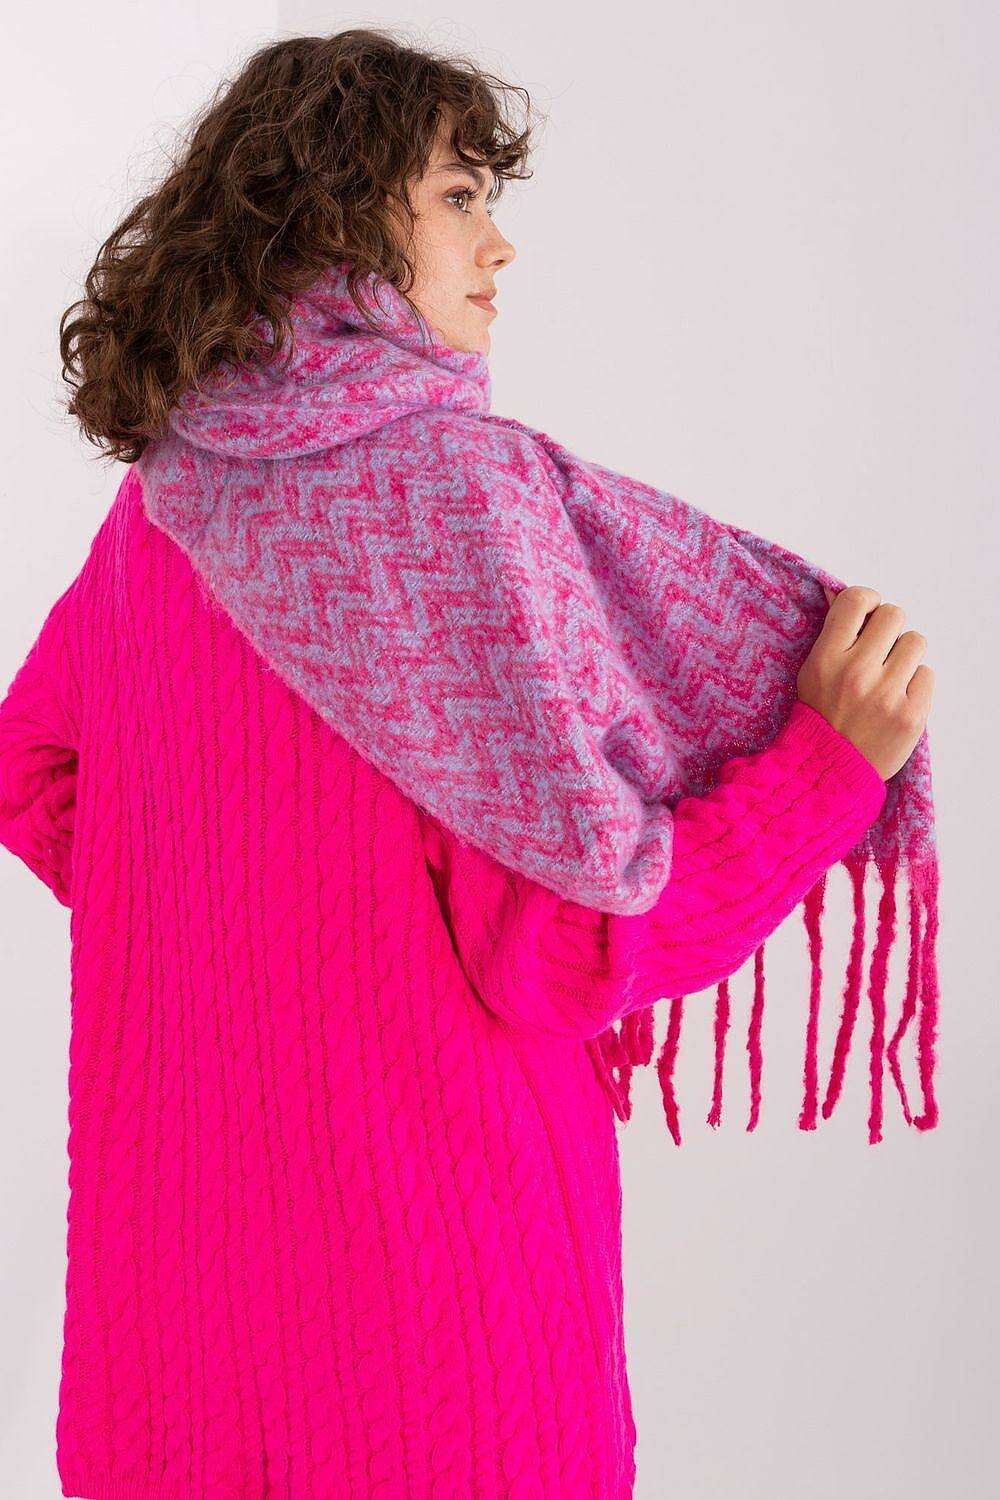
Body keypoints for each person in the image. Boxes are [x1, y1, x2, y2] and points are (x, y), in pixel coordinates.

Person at [0, 28, 932, 1500]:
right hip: (441, 1343)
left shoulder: (164, 508)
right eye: (455, 196)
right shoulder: (456, 502)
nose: (499, 246)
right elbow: (565, 943)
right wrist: (827, 773)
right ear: (330, 212)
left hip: (173, 1341)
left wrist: (232, 928)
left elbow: (33, 766)